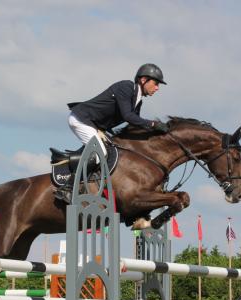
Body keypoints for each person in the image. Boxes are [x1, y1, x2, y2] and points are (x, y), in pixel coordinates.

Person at [55, 63, 169, 202]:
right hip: (81, 119)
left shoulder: (138, 101)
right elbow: (128, 116)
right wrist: (153, 124)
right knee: (100, 153)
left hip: (94, 125)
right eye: (156, 83)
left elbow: (135, 124)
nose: (157, 88)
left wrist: (158, 135)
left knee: (112, 148)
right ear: (143, 79)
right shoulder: (126, 87)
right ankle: (67, 188)